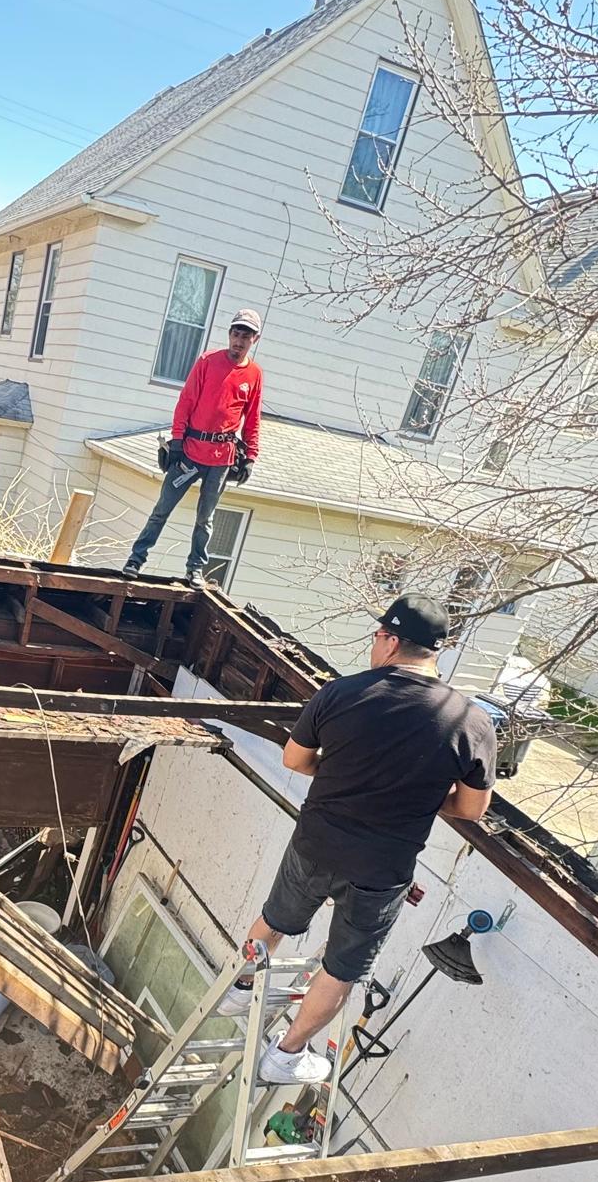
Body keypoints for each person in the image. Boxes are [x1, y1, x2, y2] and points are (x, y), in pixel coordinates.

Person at [231, 594, 500, 1085]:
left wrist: (340, 771)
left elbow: (295, 759)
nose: (374, 645)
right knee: (341, 969)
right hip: (382, 870)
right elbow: (470, 809)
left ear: (392, 641)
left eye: (377, 637)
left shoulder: (341, 693)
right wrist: (422, 794)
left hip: (316, 844)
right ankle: (286, 1056)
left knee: (276, 919)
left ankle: (240, 986)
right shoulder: (471, 722)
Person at [122, 310, 264, 584]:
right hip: (190, 451)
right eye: (236, 334)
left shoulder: (254, 374)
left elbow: (253, 419)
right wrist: (177, 440)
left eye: (246, 336)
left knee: (205, 518)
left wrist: (251, 456)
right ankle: (136, 560)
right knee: (162, 509)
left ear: (254, 340)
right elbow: (186, 401)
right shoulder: (208, 361)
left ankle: (195, 568)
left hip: (222, 457)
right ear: (230, 334)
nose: (239, 340)